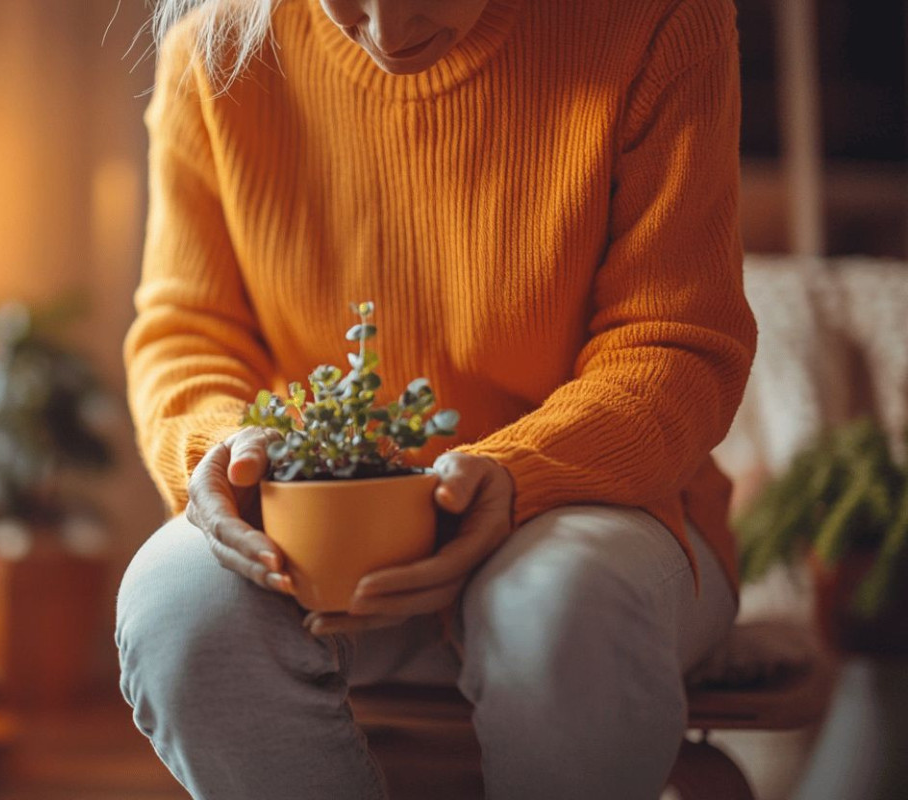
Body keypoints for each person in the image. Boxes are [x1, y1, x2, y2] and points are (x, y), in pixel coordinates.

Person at [116, 0, 757, 797]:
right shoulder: (213, 56)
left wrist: (517, 474)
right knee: (178, 609)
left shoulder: (656, 21)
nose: (390, 32)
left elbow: (676, 344)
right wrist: (224, 455)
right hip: (323, 538)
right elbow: (187, 334)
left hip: (610, 512)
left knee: (558, 609)